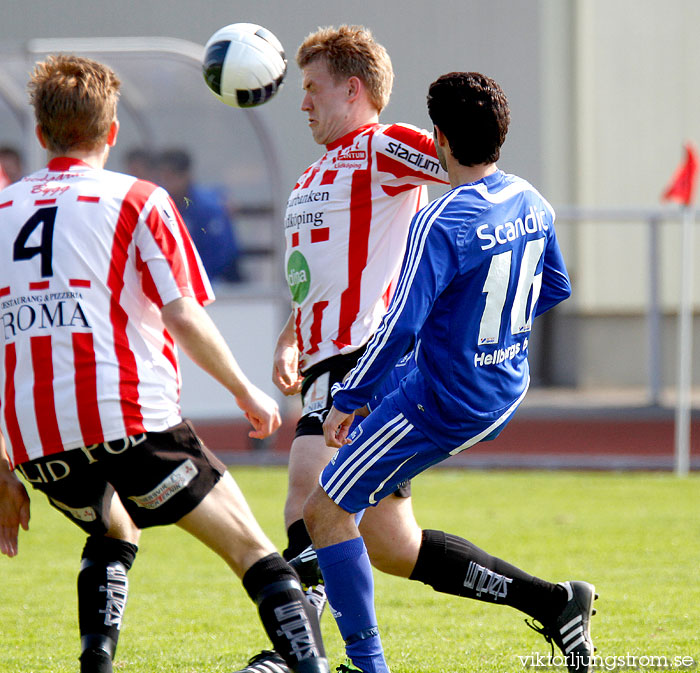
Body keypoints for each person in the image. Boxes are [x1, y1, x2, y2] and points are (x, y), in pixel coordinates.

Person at [0, 54, 328, 673]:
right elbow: (182, 315)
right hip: (131, 424)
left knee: (114, 529)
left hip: (38, 442)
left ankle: (95, 662)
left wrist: (1, 465)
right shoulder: (138, 199)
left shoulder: (2, 213)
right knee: (255, 551)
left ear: (41, 134)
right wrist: (246, 391)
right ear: (114, 130)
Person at [303, 72, 597, 673]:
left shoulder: (441, 221)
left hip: (441, 401)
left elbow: (399, 327)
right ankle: (555, 604)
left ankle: (367, 666)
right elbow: (556, 286)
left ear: (437, 136)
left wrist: (350, 398)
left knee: (324, 512)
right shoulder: (530, 199)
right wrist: (491, 339)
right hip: (501, 387)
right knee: (390, 541)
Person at [235, 25, 454, 673]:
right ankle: (554, 601)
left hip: (371, 357)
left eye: (312, 89)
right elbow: (318, 272)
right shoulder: (313, 173)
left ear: (353, 89)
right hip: (325, 356)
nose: (301, 103)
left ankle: (302, 654)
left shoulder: (385, 145)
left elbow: (461, 164)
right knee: (391, 542)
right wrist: (291, 332)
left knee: (309, 494)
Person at [157, 147, 243, 283]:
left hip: (219, 282)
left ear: (185, 176)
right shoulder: (162, 205)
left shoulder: (207, 209)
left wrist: (194, 281)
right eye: (163, 177)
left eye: (171, 177)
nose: (166, 183)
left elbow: (220, 255)